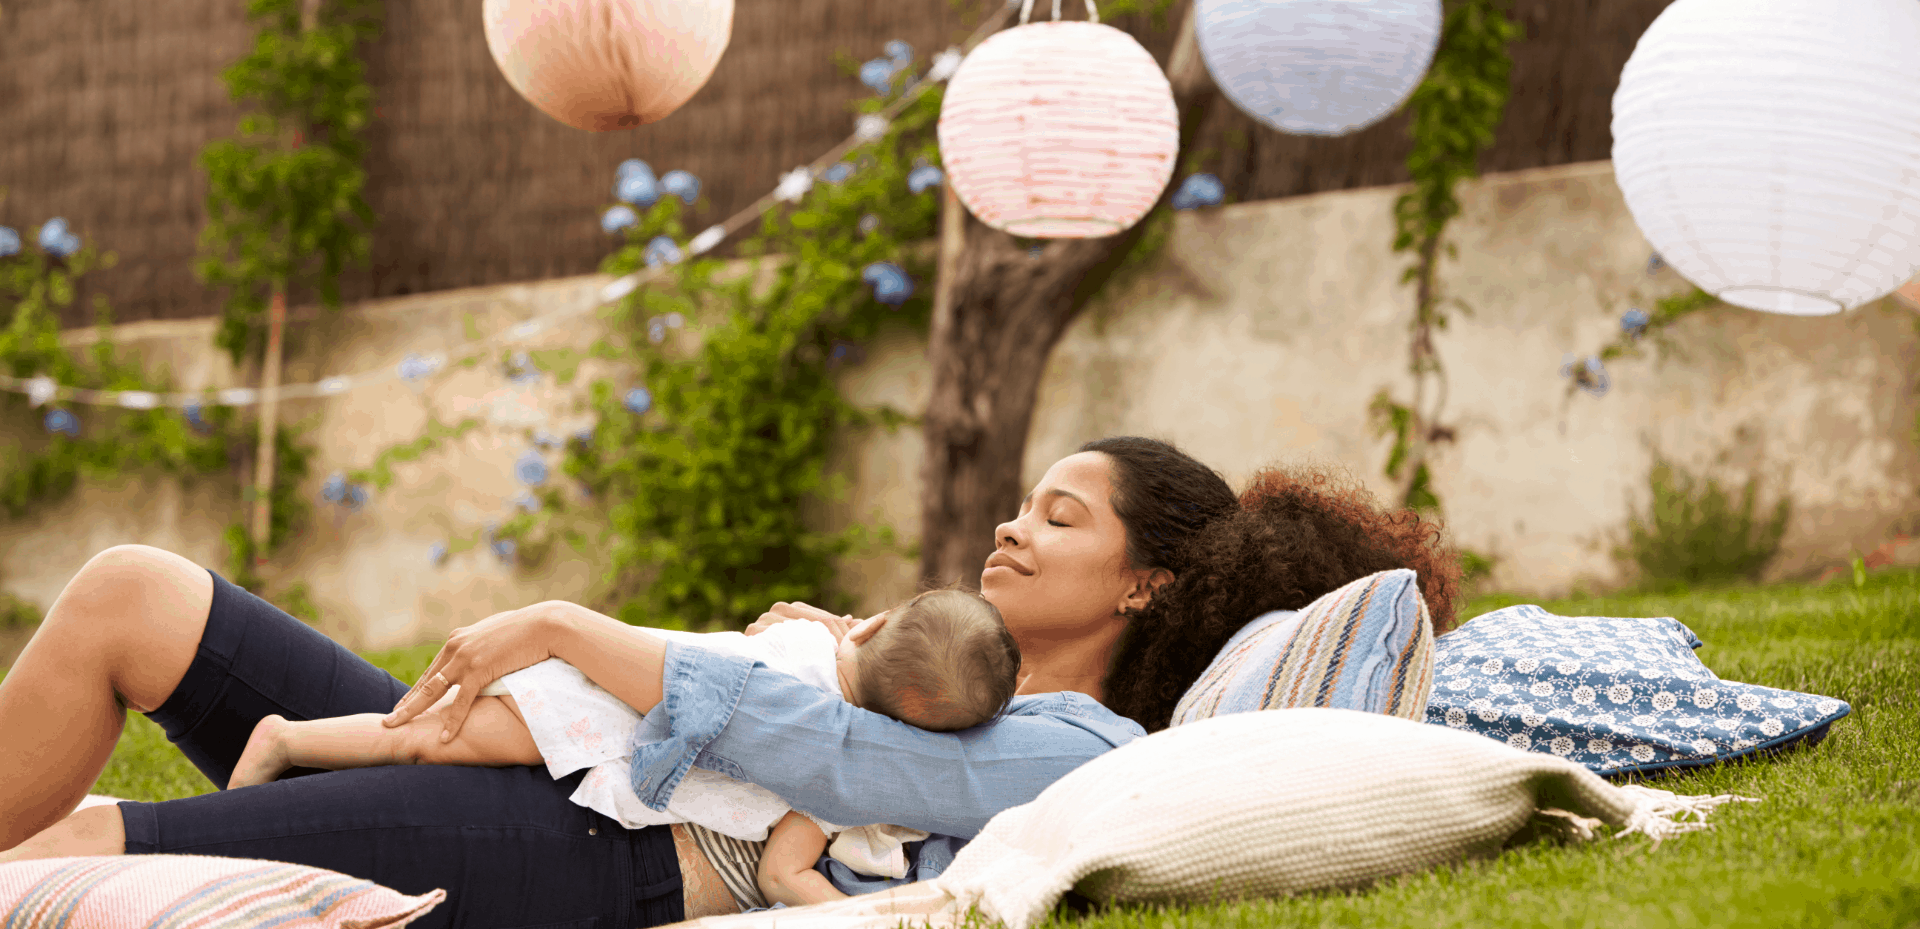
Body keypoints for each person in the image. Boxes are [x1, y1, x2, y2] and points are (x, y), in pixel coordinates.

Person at [0, 436, 1461, 928]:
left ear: (1150, 584)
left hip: (588, 842)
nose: (1014, 524)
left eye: (1062, 517)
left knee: (65, 860)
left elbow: (817, 756)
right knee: (138, 591)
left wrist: (574, 625)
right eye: (1026, 503)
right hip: (565, 764)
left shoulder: (1068, 742)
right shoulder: (945, 656)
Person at [223, 588, 1019, 909]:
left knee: (436, 744)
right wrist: (871, 913)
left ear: (873, 625)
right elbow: (784, 871)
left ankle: (296, 747)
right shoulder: (842, 761)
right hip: (595, 711)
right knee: (431, 742)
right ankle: (285, 737)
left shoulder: (809, 634)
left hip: (605, 690)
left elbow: (765, 639)